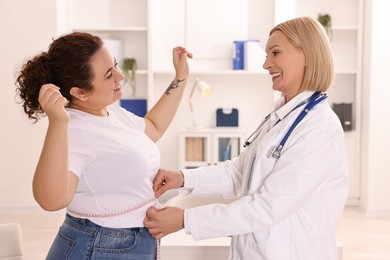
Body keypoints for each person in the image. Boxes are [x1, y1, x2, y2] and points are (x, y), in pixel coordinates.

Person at [144, 16, 349, 260]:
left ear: (307, 54)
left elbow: (268, 207)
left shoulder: (319, 128)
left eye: (275, 53)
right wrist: (182, 177)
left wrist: (184, 219)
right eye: (266, 55)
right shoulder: (281, 117)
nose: (266, 64)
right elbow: (239, 173)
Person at [15, 32, 192, 259]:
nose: (120, 76)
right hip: (97, 247)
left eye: (115, 65)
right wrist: (57, 122)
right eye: (109, 75)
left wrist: (181, 77)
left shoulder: (109, 111)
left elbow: (153, 127)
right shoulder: (75, 131)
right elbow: (51, 200)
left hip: (124, 243)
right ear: (80, 92)